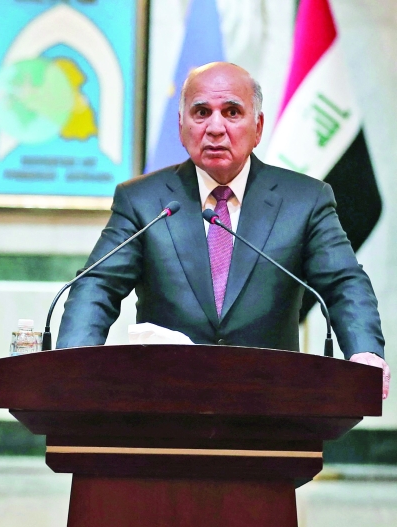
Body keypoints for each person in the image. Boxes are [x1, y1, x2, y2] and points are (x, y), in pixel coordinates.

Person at [57, 62, 389, 397]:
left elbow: (343, 283)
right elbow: (97, 285)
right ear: (182, 126)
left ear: (257, 128)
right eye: (201, 112)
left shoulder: (304, 200)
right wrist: (71, 361)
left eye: (232, 112)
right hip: (163, 402)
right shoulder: (142, 201)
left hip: (274, 404)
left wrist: (365, 352)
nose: (216, 127)